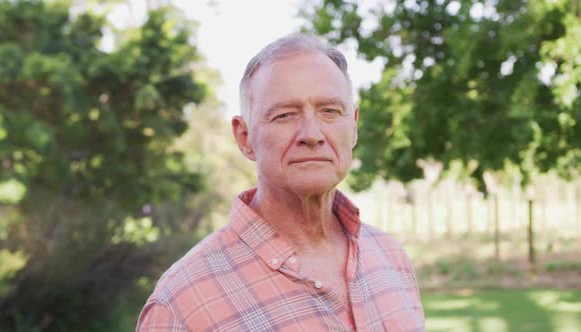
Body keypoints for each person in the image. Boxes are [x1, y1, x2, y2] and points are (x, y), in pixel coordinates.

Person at [137, 33, 425, 332]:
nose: (311, 134)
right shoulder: (182, 304)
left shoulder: (390, 257)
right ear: (245, 138)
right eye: (285, 115)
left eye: (329, 111)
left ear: (353, 126)